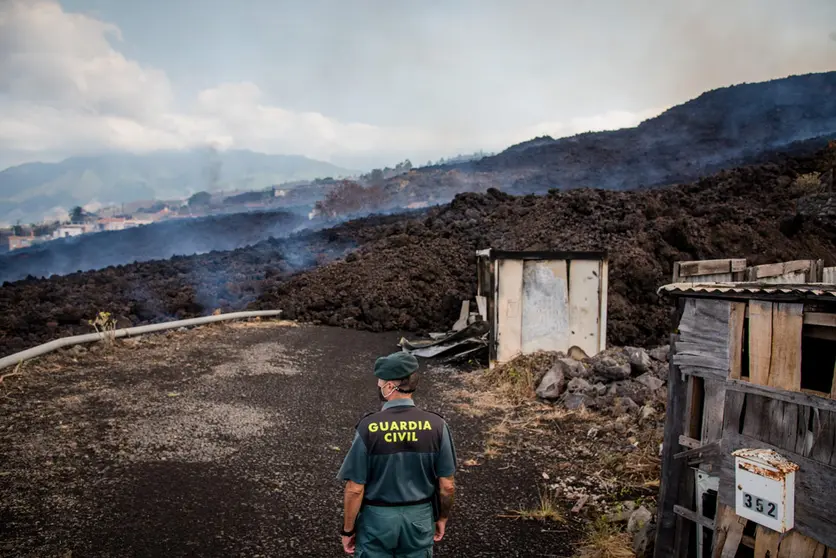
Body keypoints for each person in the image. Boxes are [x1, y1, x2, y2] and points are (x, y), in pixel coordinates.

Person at [337, 351, 457, 557]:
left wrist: (348, 529)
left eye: (380, 381)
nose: (378, 385)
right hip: (419, 518)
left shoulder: (369, 427)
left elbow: (355, 488)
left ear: (390, 386)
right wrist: (442, 518)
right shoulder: (438, 425)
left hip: (377, 519)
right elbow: (447, 486)